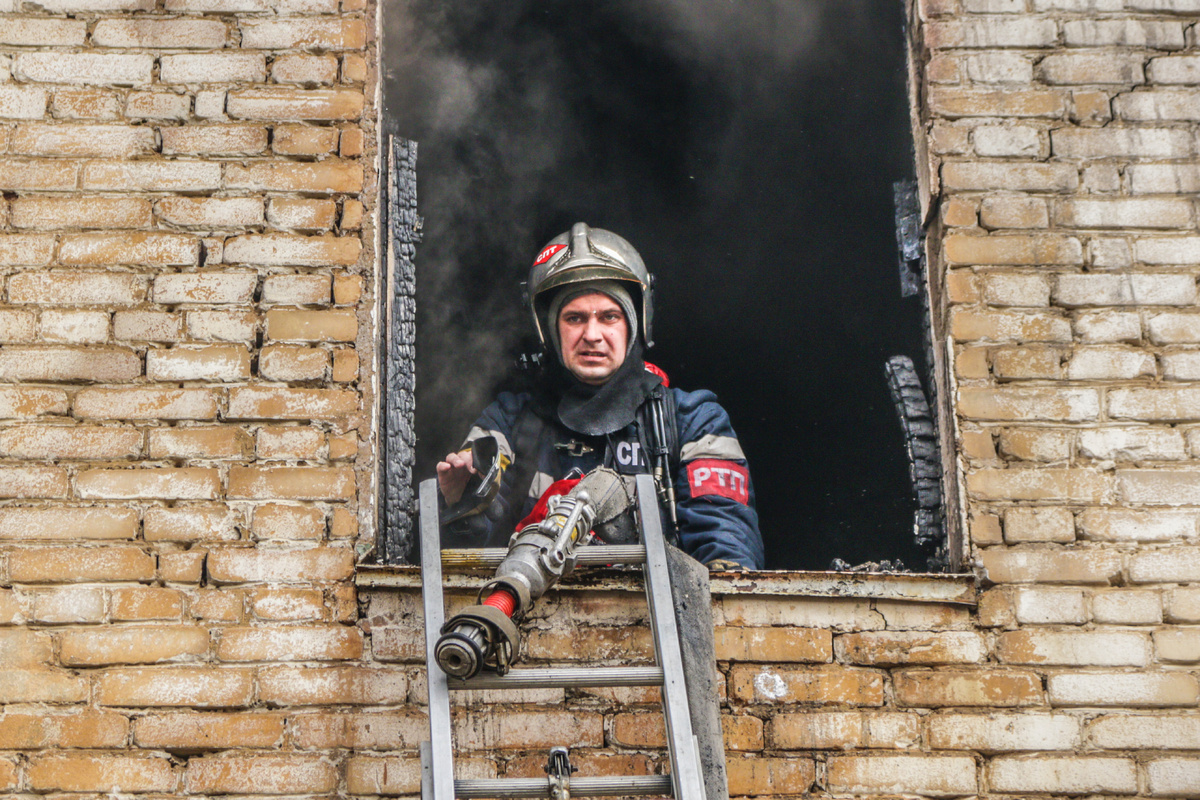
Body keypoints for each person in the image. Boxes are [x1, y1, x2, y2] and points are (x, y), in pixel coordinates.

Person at [437, 222, 765, 571]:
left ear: (635, 323)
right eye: (574, 318)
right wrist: (466, 505)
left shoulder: (693, 421)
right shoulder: (508, 420)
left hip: (656, 618)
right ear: (549, 330)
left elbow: (727, 547)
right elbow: (466, 559)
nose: (592, 335)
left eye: (609, 316)